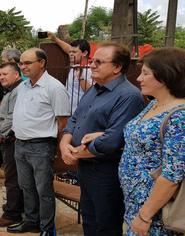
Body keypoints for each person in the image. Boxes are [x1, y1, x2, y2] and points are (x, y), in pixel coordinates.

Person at [60, 41, 145, 236]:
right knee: (89, 219)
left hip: (107, 172)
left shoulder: (129, 96)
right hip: (86, 168)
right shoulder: (94, 89)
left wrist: (76, 153)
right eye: (92, 60)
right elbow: (75, 119)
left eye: (99, 62)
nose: (92, 65)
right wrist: (65, 143)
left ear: (118, 67)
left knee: (105, 225)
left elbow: (112, 140)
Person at [118, 48, 185, 235]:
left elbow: (173, 174)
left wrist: (145, 216)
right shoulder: (154, 104)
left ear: (166, 75)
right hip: (134, 203)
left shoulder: (180, 116)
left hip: (156, 213)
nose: (139, 78)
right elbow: (141, 140)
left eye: (145, 73)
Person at [8, 48, 70, 236]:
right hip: (20, 144)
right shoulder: (23, 86)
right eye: (21, 64)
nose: (23, 67)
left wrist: (60, 147)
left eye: (28, 63)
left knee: (44, 190)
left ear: (42, 63)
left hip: (41, 146)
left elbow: (63, 121)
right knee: (27, 187)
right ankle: (32, 222)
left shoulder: (54, 87)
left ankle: (46, 228)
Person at [0, 62, 24, 227]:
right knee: (14, 177)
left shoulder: (18, 91)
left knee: (12, 178)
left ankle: (12, 213)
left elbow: (12, 117)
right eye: (0, 74)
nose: (2, 77)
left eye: (6, 74)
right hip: (9, 140)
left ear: (17, 75)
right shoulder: (12, 90)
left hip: (12, 140)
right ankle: (15, 207)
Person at [46, 32, 93, 114]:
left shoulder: (89, 69)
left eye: (74, 52)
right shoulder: (76, 66)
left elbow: (92, 91)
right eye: (70, 52)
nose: (70, 54)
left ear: (85, 53)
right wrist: (55, 39)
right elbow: (69, 49)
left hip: (82, 114)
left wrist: (80, 77)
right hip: (70, 113)